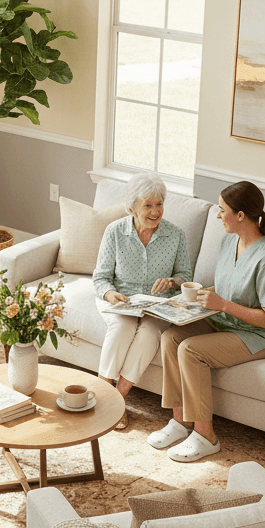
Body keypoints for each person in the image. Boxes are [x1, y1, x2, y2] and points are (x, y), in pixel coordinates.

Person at [148, 180, 265, 461]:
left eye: (222, 210)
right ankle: (180, 422)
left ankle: (206, 436)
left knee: (191, 350)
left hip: (259, 336)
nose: (218, 215)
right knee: (171, 336)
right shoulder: (229, 242)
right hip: (226, 321)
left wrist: (221, 304)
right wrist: (197, 296)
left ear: (240, 215)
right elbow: (225, 289)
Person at [93, 172, 194, 430]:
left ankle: (116, 401)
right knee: (122, 328)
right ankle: (106, 394)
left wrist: (172, 282)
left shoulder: (176, 235)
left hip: (157, 306)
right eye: (147, 205)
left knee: (149, 334)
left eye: (159, 204)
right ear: (132, 208)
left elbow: (186, 277)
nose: (155, 211)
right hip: (121, 301)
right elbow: (101, 278)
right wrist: (109, 294)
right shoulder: (115, 232)